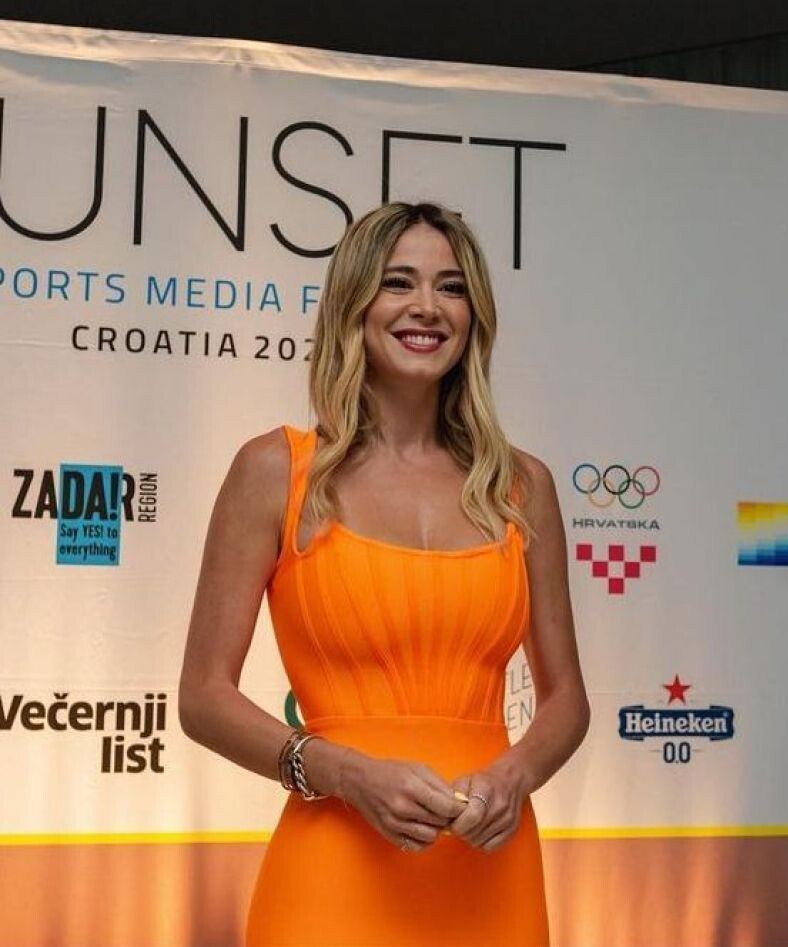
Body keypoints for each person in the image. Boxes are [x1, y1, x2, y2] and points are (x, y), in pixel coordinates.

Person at [178, 200, 591, 947]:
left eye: (451, 287)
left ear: (474, 316)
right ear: (355, 303)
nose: (427, 306)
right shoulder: (275, 471)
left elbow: (567, 700)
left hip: (490, 873)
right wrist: (345, 773)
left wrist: (515, 775)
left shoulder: (522, 486)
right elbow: (203, 696)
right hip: (330, 875)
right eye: (399, 282)